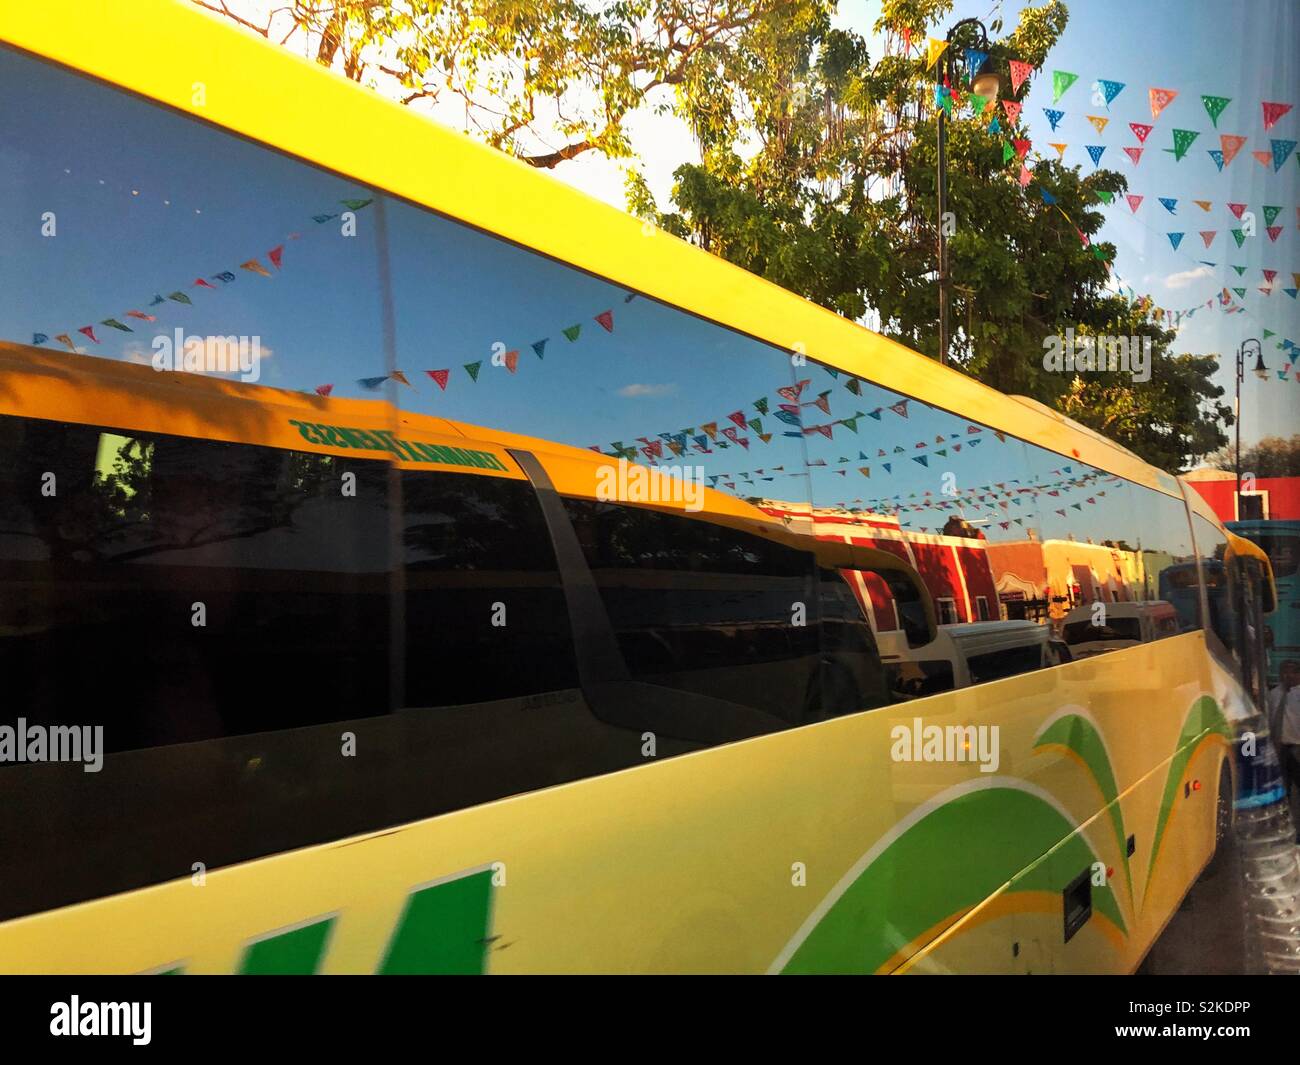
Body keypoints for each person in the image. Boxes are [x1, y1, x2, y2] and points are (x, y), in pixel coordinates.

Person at [1268, 660, 1300, 842]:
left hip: (1298, 747)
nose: (1287, 676)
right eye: (1284, 672)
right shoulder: (1274, 694)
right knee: (1282, 790)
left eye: (1292, 672)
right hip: (1280, 748)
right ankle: (1284, 828)